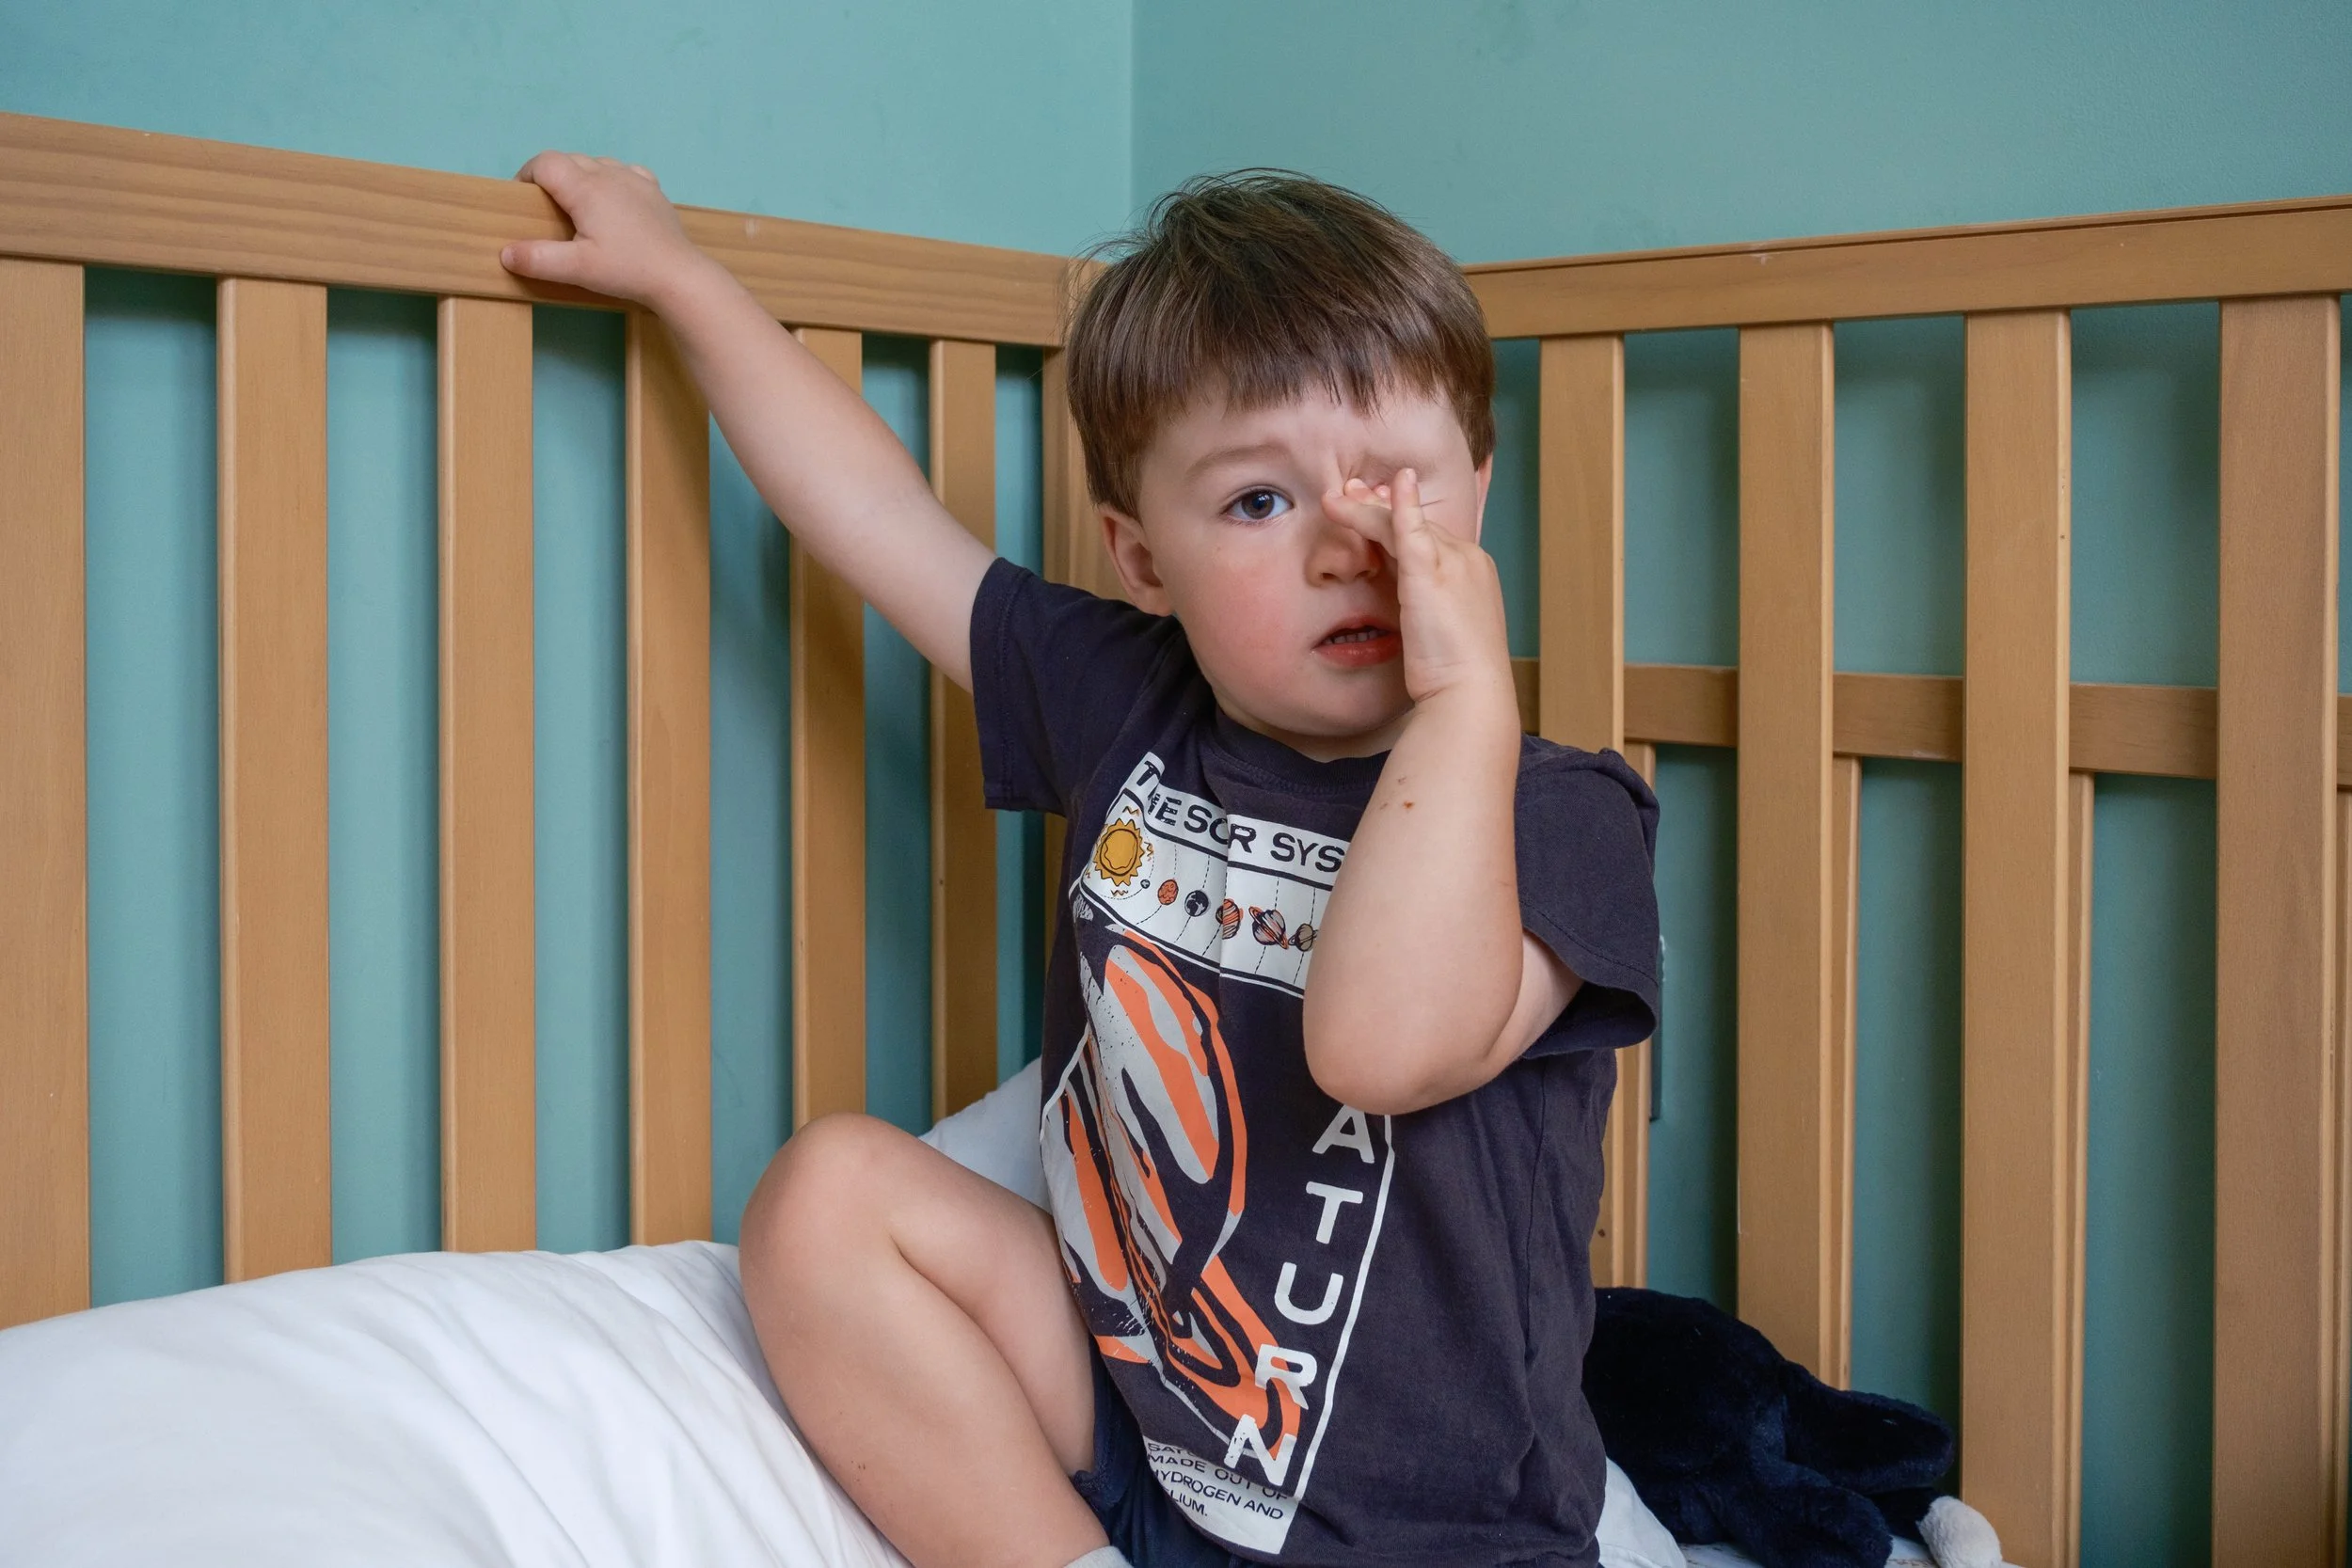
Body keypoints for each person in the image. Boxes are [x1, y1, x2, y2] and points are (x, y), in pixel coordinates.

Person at [502, 157, 1661, 1568]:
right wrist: (686, 283)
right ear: (1140, 557)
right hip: (1147, 1421)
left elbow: (1375, 1045)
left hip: (1436, 1531)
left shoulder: (1562, 813)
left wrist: (1470, 703)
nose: (1348, 544)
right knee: (824, 1200)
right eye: (1255, 504)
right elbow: (873, 514)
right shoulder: (1123, 699)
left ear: (1479, 488)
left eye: (1395, 487)